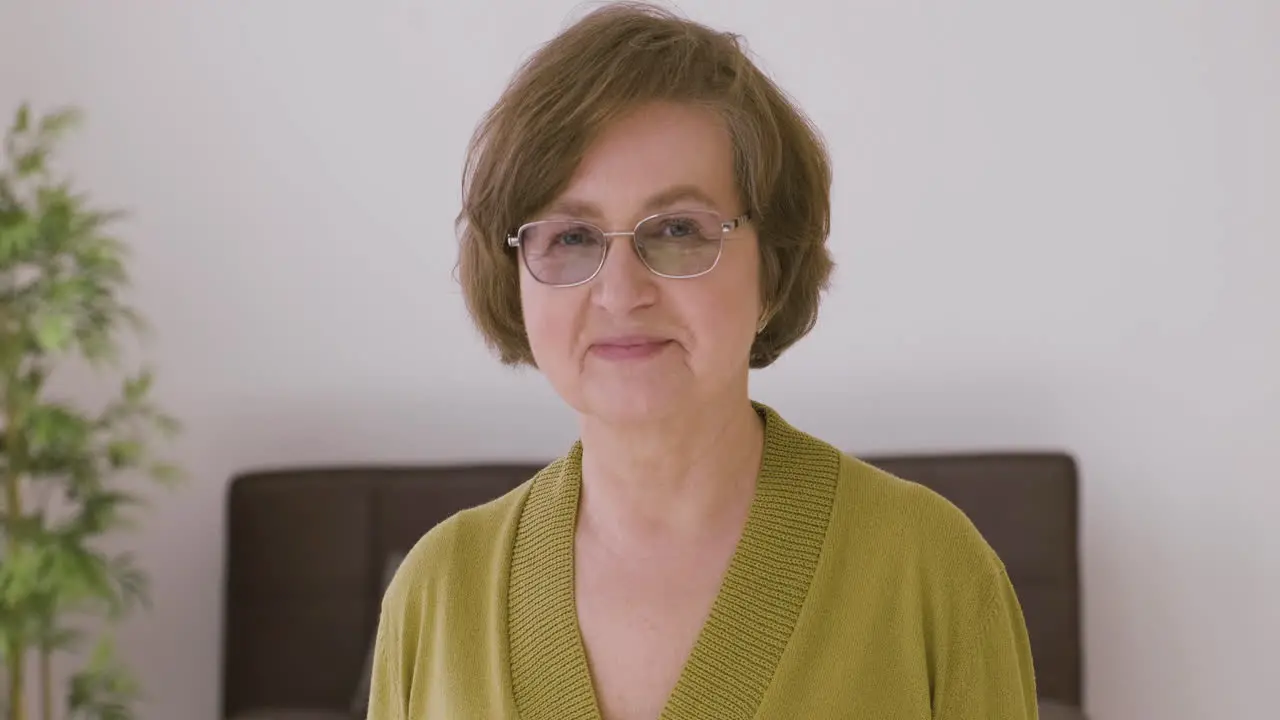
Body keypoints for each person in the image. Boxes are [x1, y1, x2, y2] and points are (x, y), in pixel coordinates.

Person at [367, 3, 1039, 718]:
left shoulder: (931, 572)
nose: (620, 293)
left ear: (771, 268)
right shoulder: (437, 590)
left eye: (679, 230)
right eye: (570, 237)